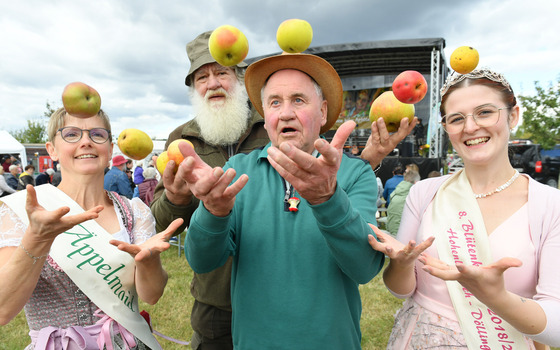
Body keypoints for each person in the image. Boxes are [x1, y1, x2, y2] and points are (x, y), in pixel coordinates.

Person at [182, 52, 386, 349]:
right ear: (265, 117)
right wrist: (213, 212)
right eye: (275, 102)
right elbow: (201, 261)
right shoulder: (238, 171)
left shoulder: (355, 173)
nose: (286, 112)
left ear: (324, 112)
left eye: (299, 100)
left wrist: (327, 199)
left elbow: (365, 268)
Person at [366, 69, 560, 349]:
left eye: (484, 112)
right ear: (447, 128)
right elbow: (400, 290)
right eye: (456, 119)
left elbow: (555, 325)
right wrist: (403, 263)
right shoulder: (425, 192)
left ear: (513, 116)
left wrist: (497, 297)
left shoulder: (550, 205)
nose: (470, 127)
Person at [0, 107, 182, 349]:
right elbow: (3, 310)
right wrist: (37, 239)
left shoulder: (134, 211)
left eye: (97, 134)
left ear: (109, 150)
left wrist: (148, 262)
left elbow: (152, 295)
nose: (86, 141)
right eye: (71, 134)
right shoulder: (20, 211)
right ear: (51, 149)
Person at [149, 30, 269, 350]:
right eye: (201, 77)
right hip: (216, 302)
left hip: (276, 291)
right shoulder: (180, 141)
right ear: (193, 88)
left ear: (240, 78)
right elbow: (158, 223)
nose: (212, 83)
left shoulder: (273, 126)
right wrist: (175, 198)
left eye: (221, 72)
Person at [386, 169, 420, 236]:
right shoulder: (413, 196)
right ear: (416, 182)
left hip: (391, 230)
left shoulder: (395, 192)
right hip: (403, 234)